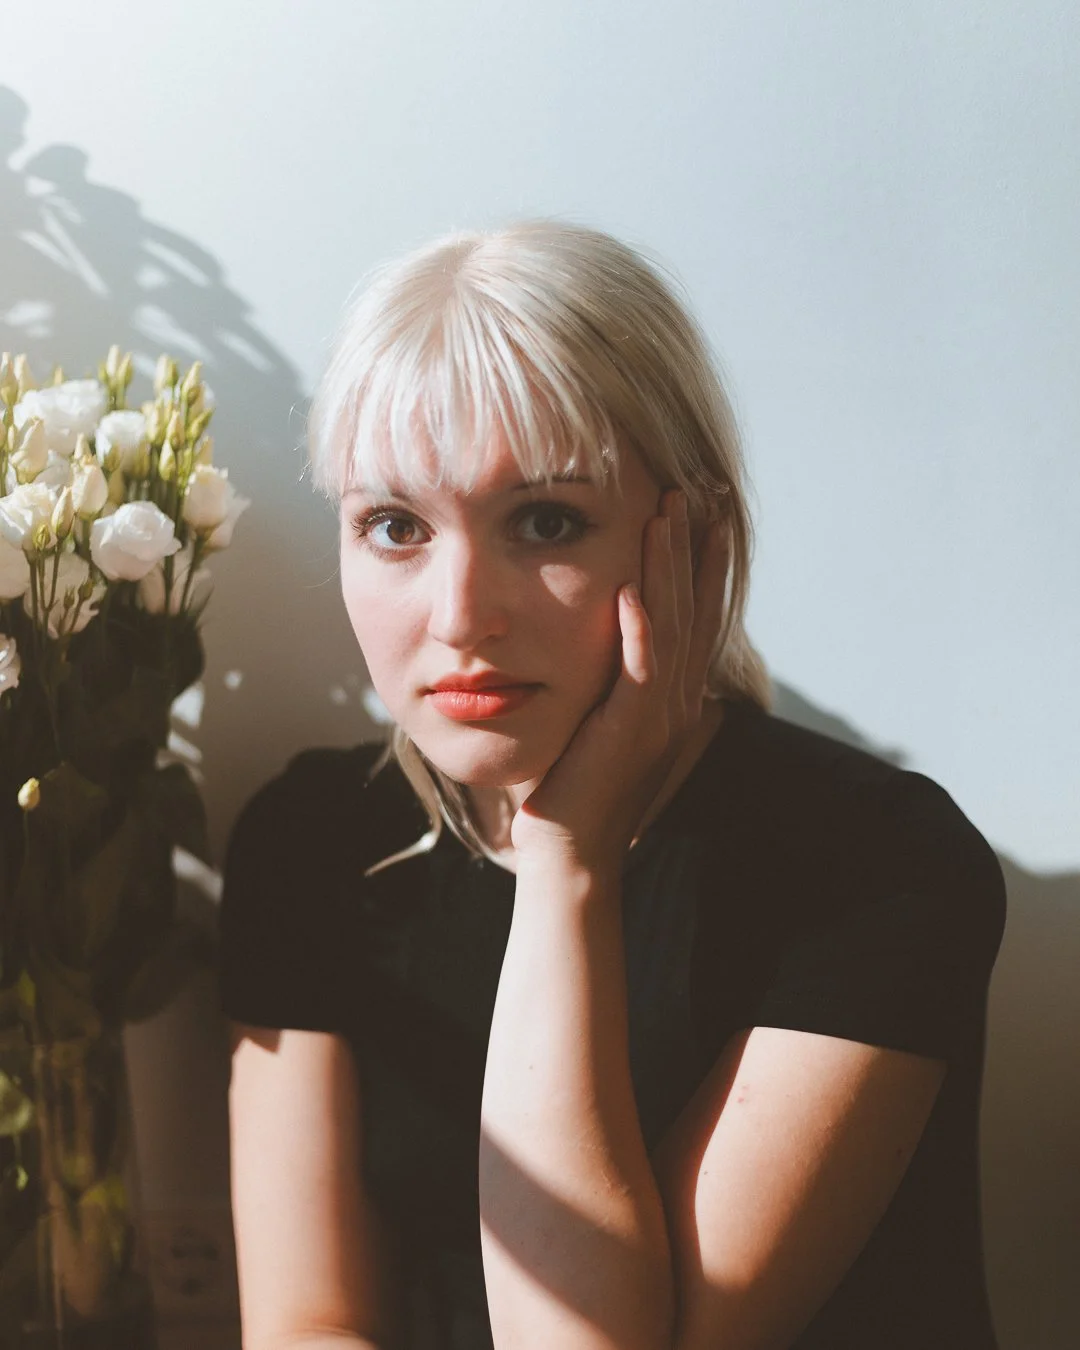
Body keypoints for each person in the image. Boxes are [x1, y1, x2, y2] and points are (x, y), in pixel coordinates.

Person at [219, 218, 1007, 1350]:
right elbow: (307, 1326)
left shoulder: (880, 867)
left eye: (546, 522)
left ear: (696, 544)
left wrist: (565, 858)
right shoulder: (311, 844)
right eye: (394, 526)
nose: (458, 618)